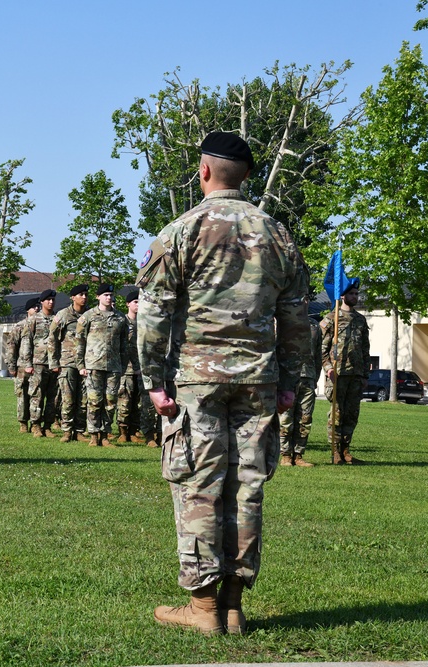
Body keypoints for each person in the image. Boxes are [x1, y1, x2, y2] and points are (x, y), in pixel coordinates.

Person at [136, 132, 310, 636]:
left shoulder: (181, 231)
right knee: (245, 489)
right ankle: (233, 606)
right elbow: (298, 318)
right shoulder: (278, 234)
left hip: (198, 380)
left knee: (198, 486)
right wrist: (291, 382)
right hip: (259, 379)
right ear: (247, 176)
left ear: (203, 172)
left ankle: (204, 609)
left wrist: (153, 381)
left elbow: (153, 315)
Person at [321, 280, 369, 465]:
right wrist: (328, 368)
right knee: (336, 413)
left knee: (351, 414)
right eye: (351, 294)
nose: (355, 297)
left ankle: (346, 450)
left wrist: (365, 374)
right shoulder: (331, 318)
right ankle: (335, 452)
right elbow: (322, 348)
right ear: (342, 296)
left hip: (355, 374)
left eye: (357, 294)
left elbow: (365, 348)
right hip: (338, 373)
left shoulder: (360, 320)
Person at [76, 283, 129, 447]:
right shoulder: (88, 316)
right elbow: (80, 342)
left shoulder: (120, 318)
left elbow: (124, 345)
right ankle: (93, 434)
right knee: (94, 400)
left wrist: (123, 366)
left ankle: (105, 435)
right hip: (93, 365)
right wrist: (80, 365)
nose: (109, 297)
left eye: (111, 295)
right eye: (106, 295)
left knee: (111, 401)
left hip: (113, 367)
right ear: (98, 297)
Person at [279, 302, 323, 467]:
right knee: (286, 419)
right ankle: (285, 455)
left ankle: (298, 455)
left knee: (305, 419)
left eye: (306, 299)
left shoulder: (315, 326)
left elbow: (318, 355)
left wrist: (315, 377)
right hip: (288, 377)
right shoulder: (284, 323)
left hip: (308, 378)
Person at [50, 284, 89, 442]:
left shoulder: (90, 315)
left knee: (83, 399)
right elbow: (52, 338)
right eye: (80, 294)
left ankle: (79, 431)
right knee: (68, 398)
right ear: (73, 297)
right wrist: (54, 362)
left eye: (86, 294)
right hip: (67, 362)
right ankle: (67, 431)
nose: (84, 297)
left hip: (86, 363)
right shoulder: (63, 315)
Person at [21, 288, 60, 437]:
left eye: (53, 300)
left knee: (52, 397)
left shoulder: (57, 319)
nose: (51, 302)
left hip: (54, 364)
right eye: (48, 300)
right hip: (38, 363)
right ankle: (35, 425)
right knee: (36, 395)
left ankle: (48, 426)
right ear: (42, 302)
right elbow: (26, 342)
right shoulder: (34, 319)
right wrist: (28, 363)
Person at [116, 288, 145, 444]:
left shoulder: (144, 323)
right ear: (128, 304)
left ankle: (134, 431)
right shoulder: (122, 322)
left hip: (140, 368)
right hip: (125, 368)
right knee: (124, 401)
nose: (138, 304)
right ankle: (122, 431)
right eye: (135, 302)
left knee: (138, 402)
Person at [7, 298, 39, 433]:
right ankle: (23, 423)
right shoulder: (19, 326)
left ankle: (35, 423)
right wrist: (12, 366)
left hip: (37, 366)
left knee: (36, 396)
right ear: (28, 310)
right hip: (21, 367)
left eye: (38, 306)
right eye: (34, 307)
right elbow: (11, 347)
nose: (36, 309)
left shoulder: (41, 325)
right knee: (22, 395)